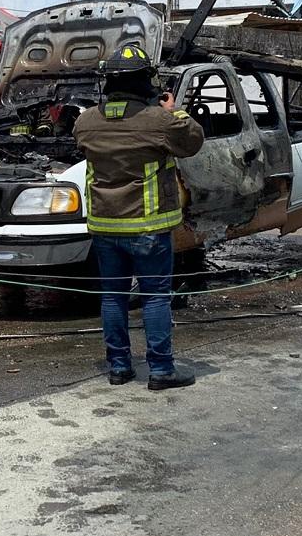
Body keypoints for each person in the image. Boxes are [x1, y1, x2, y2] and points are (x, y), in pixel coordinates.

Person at [73, 45, 205, 390]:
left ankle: (118, 367)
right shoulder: (158, 121)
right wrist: (174, 112)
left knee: (112, 297)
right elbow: (192, 142)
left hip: (104, 226)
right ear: (145, 80)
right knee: (156, 296)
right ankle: (161, 370)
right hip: (147, 226)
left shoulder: (85, 121)